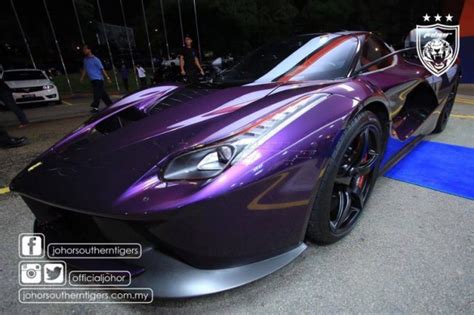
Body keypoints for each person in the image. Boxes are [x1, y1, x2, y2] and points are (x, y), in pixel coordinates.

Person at [80, 44, 113, 113]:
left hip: (98, 79)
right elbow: (85, 69)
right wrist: (82, 77)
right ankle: (110, 105)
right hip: (93, 80)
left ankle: (95, 107)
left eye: (85, 49)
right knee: (103, 94)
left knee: (96, 93)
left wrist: (107, 77)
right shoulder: (85, 60)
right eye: (83, 49)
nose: (84, 50)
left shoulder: (95, 59)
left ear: (89, 50)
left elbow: (102, 69)